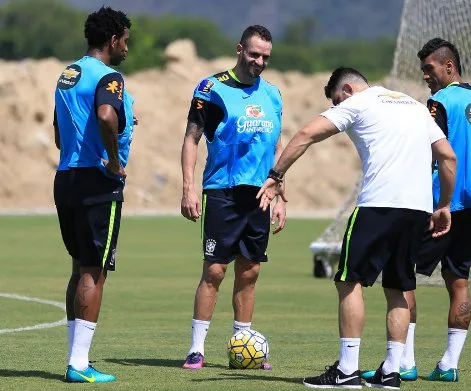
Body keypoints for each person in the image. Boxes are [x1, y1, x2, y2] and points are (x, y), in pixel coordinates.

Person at [257, 67, 457, 389]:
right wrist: (444, 205)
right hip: (417, 211)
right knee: (399, 287)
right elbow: (447, 157)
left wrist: (276, 175)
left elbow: (307, 134)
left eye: (336, 101)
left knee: (349, 281)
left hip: (378, 206)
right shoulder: (416, 106)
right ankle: (391, 372)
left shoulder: (358, 103)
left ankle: (347, 370)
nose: (337, 108)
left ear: (347, 90)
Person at [377, 38, 471, 383]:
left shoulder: (440, 102)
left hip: (439, 203)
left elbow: (432, 151)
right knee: (458, 279)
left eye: (429, 69)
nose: (425, 76)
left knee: (402, 275)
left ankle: (404, 363)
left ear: (449, 66)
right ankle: (448, 365)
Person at [180, 25, 286, 370]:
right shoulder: (211, 89)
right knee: (215, 269)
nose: (259, 61)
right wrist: (188, 187)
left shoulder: (272, 93)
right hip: (222, 191)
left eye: (265, 57)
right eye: (254, 54)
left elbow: (276, 145)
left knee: (251, 271)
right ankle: (196, 349)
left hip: (259, 195)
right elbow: (191, 139)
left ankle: (242, 346)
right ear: (240, 49)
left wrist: (280, 194)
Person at [53, 6, 134, 383]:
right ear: (112, 39)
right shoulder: (109, 76)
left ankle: (75, 357)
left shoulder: (68, 74)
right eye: (125, 41)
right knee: (94, 271)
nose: (127, 49)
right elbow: (105, 115)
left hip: (66, 177)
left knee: (78, 266)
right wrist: (114, 161)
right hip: (96, 183)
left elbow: (58, 126)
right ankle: (79, 365)